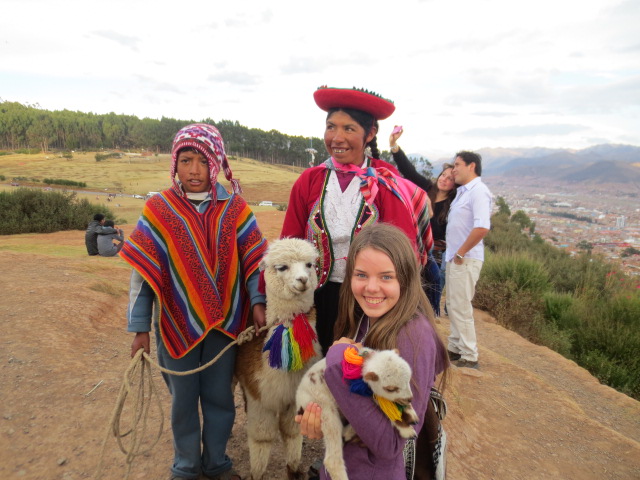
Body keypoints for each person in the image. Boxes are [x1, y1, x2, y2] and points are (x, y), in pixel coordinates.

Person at [120, 123, 268, 480]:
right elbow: (142, 275)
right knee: (183, 402)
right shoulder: (159, 210)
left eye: (203, 161)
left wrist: (259, 302)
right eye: (185, 160)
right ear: (175, 163)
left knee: (219, 398)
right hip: (175, 323)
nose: (194, 170)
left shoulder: (236, 209)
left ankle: (216, 462)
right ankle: (186, 466)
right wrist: (140, 328)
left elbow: (254, 263)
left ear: (216, 162)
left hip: (225, 328)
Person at [281, 86, 431, 356]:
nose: (337, 138)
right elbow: (289, 243)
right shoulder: (309, 181)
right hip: (316, 297)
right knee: (315, 372)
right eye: (330, 127)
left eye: (349, 129)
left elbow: (403, 253)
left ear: (370, 134)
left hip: (369, 300)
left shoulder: (384, 185)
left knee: (358, 372)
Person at [296, 223, 449, 480]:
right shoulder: (366, 317)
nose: (371, 288)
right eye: (361, 275)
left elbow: (391, 443)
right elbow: (361, 405)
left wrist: (338, 359)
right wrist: (324, 419)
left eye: (386, 277)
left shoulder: (413, 337)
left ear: (406, 277)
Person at [389, 128, 457, 316]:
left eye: (450, 179)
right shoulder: (426, 188)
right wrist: (394, 146)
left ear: (455, 184)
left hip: (435, 254)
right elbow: (407, 170)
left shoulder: (453, 205)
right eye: (443, 175)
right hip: (415, 247)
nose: (444, 179)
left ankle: (431, 320)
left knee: (432, 287)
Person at [445, 151, 492, 369]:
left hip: (466, 258)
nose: (453, 169)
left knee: (461, 305)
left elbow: (482, 227)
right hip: (456, 258)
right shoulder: (463, 192)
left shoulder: (478, 191)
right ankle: (455, 347)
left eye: (457, 165)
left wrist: (462, 252)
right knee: (453, 304)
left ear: (471, 166)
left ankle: (469, 355)